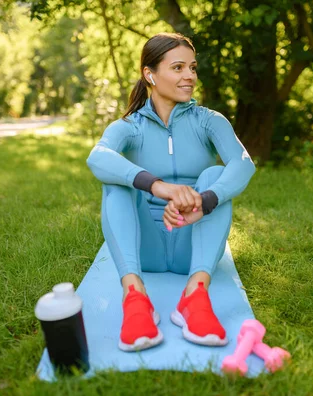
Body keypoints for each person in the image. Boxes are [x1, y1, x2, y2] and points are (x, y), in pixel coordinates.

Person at [86, 32, 256, 352]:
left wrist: (204, 202)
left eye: (192, 68)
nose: (190, 76)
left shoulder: (209, 121)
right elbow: (98, 157)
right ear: (150, 75)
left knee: (216, 174)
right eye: (178, 68)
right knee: (116, 181)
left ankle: (194, 296)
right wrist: (157, 185)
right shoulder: (130, 125)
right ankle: (135, 296)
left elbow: (243, 164)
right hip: (145, 246)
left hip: (192, 242)